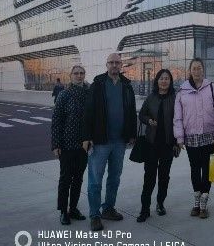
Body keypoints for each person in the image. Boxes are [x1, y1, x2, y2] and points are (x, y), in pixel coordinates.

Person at [82, 53, 137, 231]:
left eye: (117, 63)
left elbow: (131, 111)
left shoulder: (126, 85)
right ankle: (94, 215)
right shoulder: (98, 84)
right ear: (106, 65)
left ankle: (108, 209)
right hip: (100, 141)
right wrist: (86, 137)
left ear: (121, 65)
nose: (114, 65)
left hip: (119, 142)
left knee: (114, 178)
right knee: (95, 180)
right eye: (111, 62)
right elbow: (88, 112)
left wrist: (132, 134)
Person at [174, 58, 214, 219]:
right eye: (194, 68)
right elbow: (178, 117)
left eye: (199, 68)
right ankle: (196, 200)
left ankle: (204, 202)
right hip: (191, 137)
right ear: (190, 71)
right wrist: (179, 137)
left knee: (207, 169)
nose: (197, 71)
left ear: (203, 70)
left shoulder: (211, 87)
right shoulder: (182, 91)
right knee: (195, 168)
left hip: (209, 136)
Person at [136, 69, 180, 222]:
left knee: (164, 177)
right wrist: (148, 120)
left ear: (170, 81)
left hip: (168, 144)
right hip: (151, 144)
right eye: (161, 78)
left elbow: (179, 121)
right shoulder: (151, 97)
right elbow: (142, 114)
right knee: (149, 177)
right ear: (157, 81)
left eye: (167, 78)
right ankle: (145, 209)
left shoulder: (175, 98)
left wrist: (177, 142)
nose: (164, 81)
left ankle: (160, 203)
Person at [51, 65, 88, 225]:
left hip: (84, 145)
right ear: (71, 76)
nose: (79, 76)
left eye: (82, 73)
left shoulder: (89, 93)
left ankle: (73, 208)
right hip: (66, 145)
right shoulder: (64, 95)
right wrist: (56, 144)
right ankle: (63, 211)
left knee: (78, 179)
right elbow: (56, 120)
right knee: (65, 179)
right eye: (76, 73)